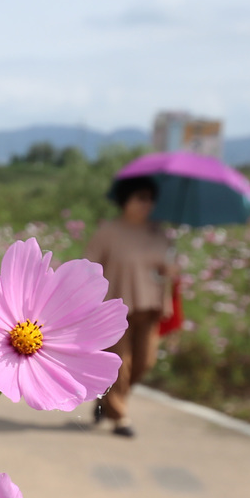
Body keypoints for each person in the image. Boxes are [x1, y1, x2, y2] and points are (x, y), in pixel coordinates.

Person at [83, 176, 175, 438]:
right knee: (119, 363)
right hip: (115, 309)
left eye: (150, 199)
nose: (147, 204)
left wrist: (171, 270)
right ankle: (120, 416)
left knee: (144, 362)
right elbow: (88, 266)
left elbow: (166, 269)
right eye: (140, 198)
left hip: (150, 306)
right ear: (126, 200)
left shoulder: (160, 233)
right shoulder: (108, 232)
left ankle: (106, 399)